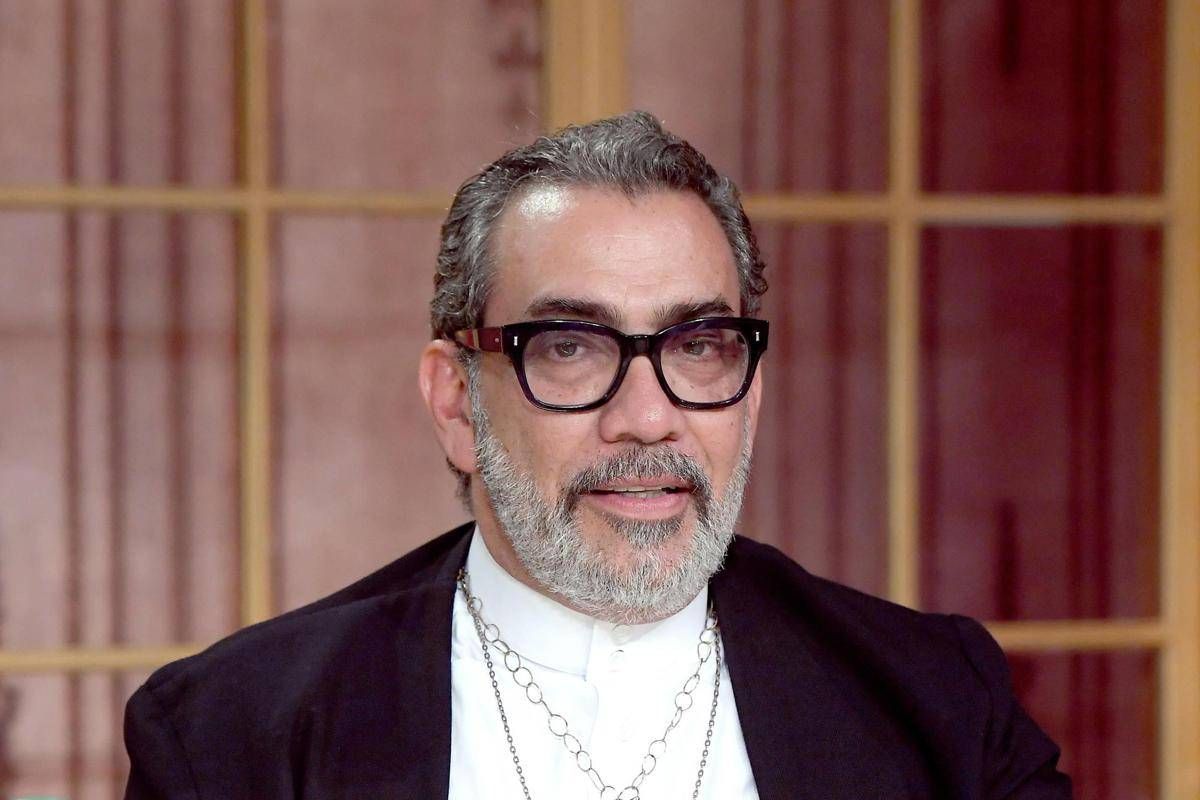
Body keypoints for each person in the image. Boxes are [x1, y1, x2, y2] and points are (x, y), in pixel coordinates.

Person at [123, 112, 1070, 799]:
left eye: (699, 346)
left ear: (751, 393)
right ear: (457, 402)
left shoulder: (942, 704)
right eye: (570, 349)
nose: (648, 418)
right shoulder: (233, 737)